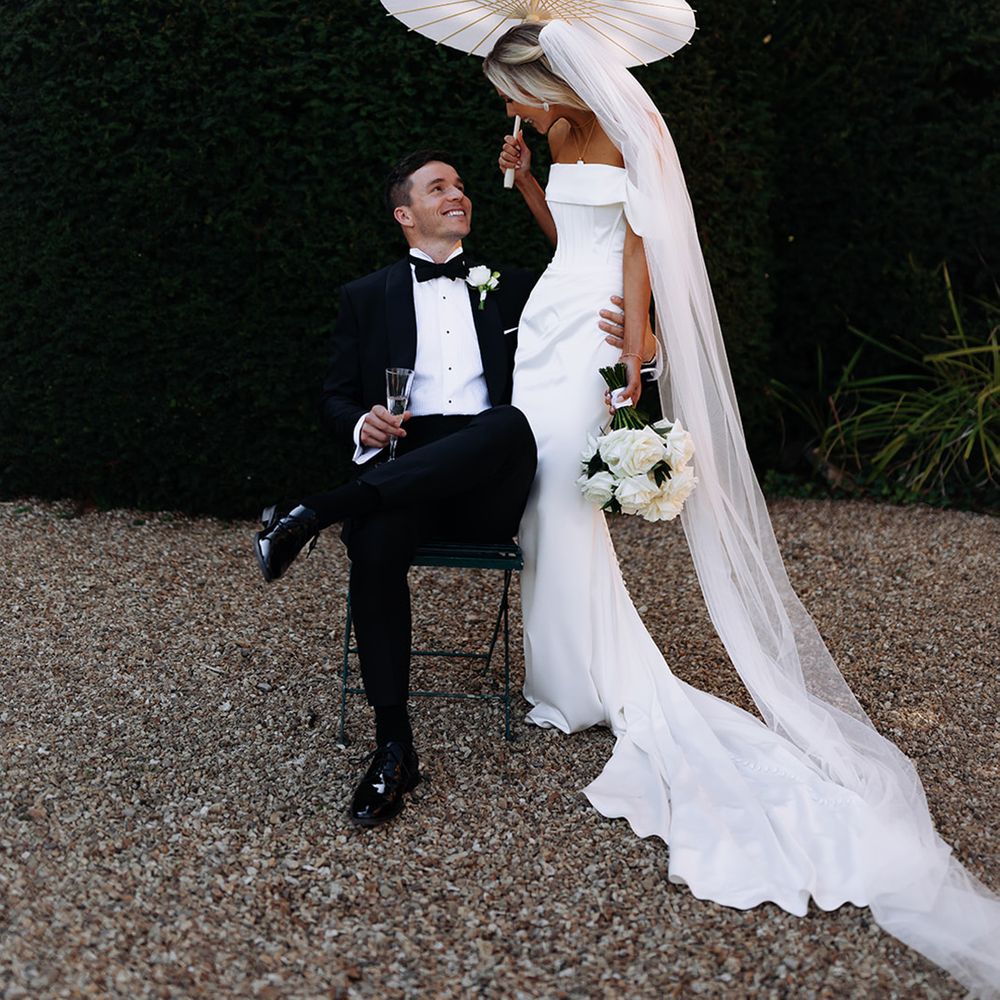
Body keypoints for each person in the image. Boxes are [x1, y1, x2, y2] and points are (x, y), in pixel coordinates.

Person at [481, 20, 1000, 998]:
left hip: (589, 336)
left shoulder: (628, 131)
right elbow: (573, 236)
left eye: (508, 96)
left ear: (541, 83)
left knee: (561, 496)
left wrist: (635, 353)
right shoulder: (550, 140)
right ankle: (568, 678)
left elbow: (640, 248)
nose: (505, 112)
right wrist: (524, 182)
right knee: (538, 505)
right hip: (548, 316)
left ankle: (602, 684)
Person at [253, 149, 649, 829]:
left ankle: (316, 511)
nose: (458, 195)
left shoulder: (517, 287)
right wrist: (360, 423)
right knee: (375, 547)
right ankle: (394, 748)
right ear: (405, 214)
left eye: (462, 186)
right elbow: (334, 396)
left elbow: (609, 276)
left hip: (488, 476)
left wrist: (647, 344)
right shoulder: (365, 296)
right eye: (439, 188)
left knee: (507, 425)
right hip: (402, 470)